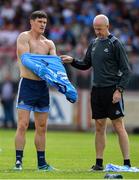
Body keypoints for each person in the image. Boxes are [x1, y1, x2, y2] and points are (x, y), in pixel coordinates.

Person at [61, 14, 131, 170]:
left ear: (107, 27)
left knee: (118, 126)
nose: (97, 32)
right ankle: (99, 163)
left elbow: (126, 70)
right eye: (95, 29)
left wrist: (119, 90)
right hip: (97, 90)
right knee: (99, 126)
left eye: (100, 29)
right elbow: (86, 65)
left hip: (112, 89)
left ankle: (127, 163)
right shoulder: (93, 44)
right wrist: (72, 60)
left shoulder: (115, 44)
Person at [15, 10, 57, 171]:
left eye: (45, 23)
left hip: (42, 87)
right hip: (27, 84)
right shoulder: (24, 37)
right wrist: (45, 65)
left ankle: (42, 163)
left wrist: (63, 83)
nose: (42, 25)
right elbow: (26, 59)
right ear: (31, 22)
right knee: (23, 124)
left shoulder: (49, 44)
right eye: (39, 22)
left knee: (42, 126)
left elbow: (54, 65)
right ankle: (18, 161)